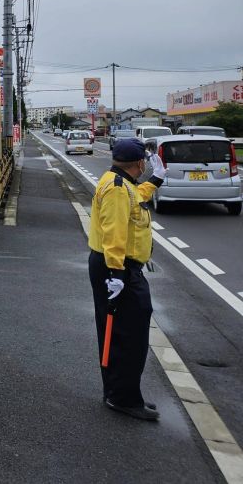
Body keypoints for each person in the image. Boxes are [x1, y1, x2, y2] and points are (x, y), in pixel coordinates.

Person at [87, 137, 166, 421]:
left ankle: (121, 391)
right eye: (147, 163)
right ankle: (123, 398)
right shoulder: (118, 189)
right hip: (118, 269)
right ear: (139, 163)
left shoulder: (119, 182)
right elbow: (114, 232)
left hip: (116, 267)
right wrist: (117, 274)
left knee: (123, 330)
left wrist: (156, 181)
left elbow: (137, 198)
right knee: (127, 334)